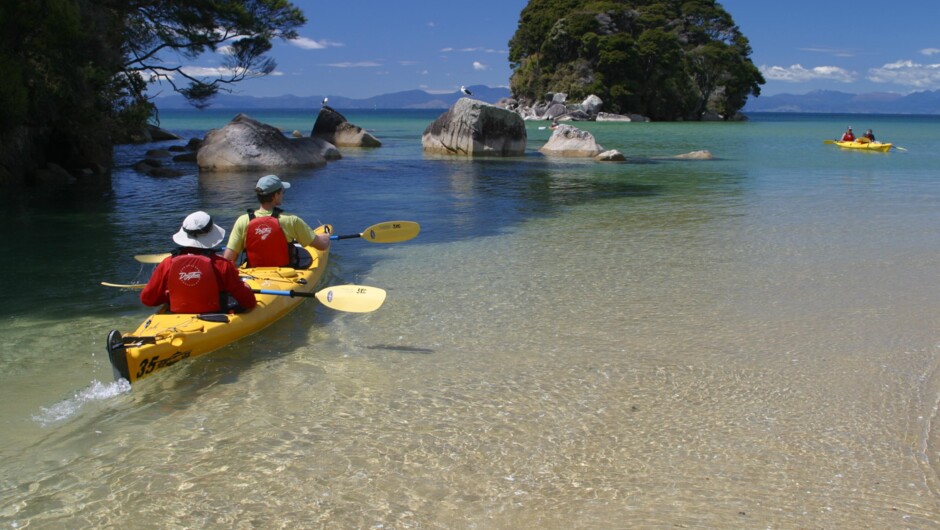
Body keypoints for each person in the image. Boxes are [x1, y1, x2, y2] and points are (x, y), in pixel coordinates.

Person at [141, 211, 257, 314]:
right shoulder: (222, 265)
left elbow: (147, 300)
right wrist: (246, 287)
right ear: (211, 235)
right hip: (216, 315)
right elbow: (249, 302)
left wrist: (169, 293)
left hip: (176, 316)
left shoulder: (167, 263)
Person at [222, 175, 330, 268]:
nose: (283, 194)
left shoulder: (242, 221)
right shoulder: (291, 220)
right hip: (285, 274)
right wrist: (326, 236)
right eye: (282, 192)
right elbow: (322, 246)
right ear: (275, 195)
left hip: (253, 276)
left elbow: (228, 259)